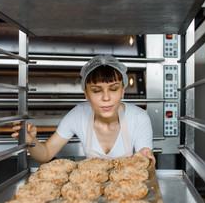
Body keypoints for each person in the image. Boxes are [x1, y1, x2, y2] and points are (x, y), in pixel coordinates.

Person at [12, 55, 155, 165]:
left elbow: (147, 159)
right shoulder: (78, 115)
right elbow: (46, 154)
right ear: (86, 94)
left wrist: (146, 157)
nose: (106, 97)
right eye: (97, 91)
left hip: (129, 192)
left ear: (123, 90)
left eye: (113, 89)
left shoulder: (139, 118)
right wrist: (31, 141)